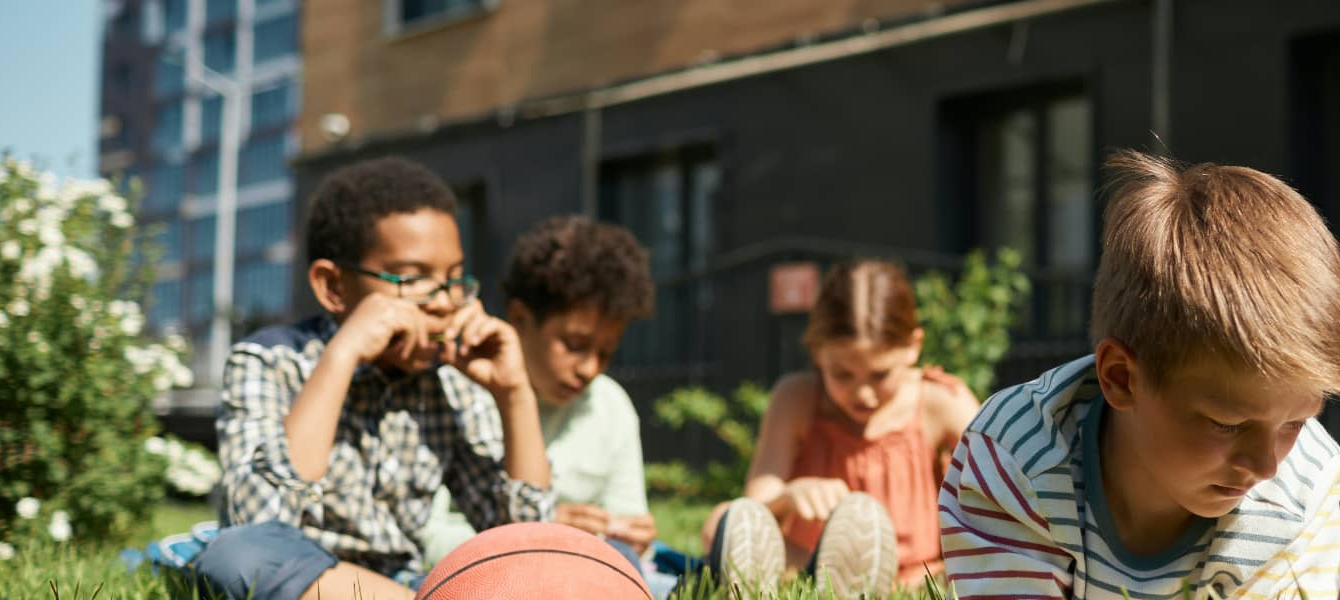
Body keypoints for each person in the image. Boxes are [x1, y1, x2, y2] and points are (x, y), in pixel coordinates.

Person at [939, 151, 1340, 599]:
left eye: (1294, 424)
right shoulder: (1017, 455)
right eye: (1227, 423)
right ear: (1121, 379)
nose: (1265, 466)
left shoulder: (1299, 491)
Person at [192, 157, 554, 600]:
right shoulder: (269, 361)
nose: (445, 302)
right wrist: (341, 355)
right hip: (301, 574)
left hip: (397, 584)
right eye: (413, 278)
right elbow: (256, 518)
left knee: (593, 559)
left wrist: (514, 393)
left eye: (455, 278)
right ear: (333, 288)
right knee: (236, 556)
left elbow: (526, 543)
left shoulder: (453, 379)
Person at [417, 215, 674, 597]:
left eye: (605, 353)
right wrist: (545, 535)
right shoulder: (456, 394)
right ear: (520, 319)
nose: (589, 368)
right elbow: (424, 533)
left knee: (662, 571)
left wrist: (633, 533)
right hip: (493, 574)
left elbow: (628, 518)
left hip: (595, 566)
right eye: (574, 344)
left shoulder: (609, 404)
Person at [694, 259, 979, 596]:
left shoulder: (942, 401)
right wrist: (789, 495)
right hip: (806, 564)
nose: (864, 393)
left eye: (880, 375)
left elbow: (1003, 495)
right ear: (817, 352)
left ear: (913, 346)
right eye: (843, 375)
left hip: (916, 573)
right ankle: (811, 582)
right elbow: (754, 511)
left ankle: (868, 582)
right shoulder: (796, 398)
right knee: (723, 520)